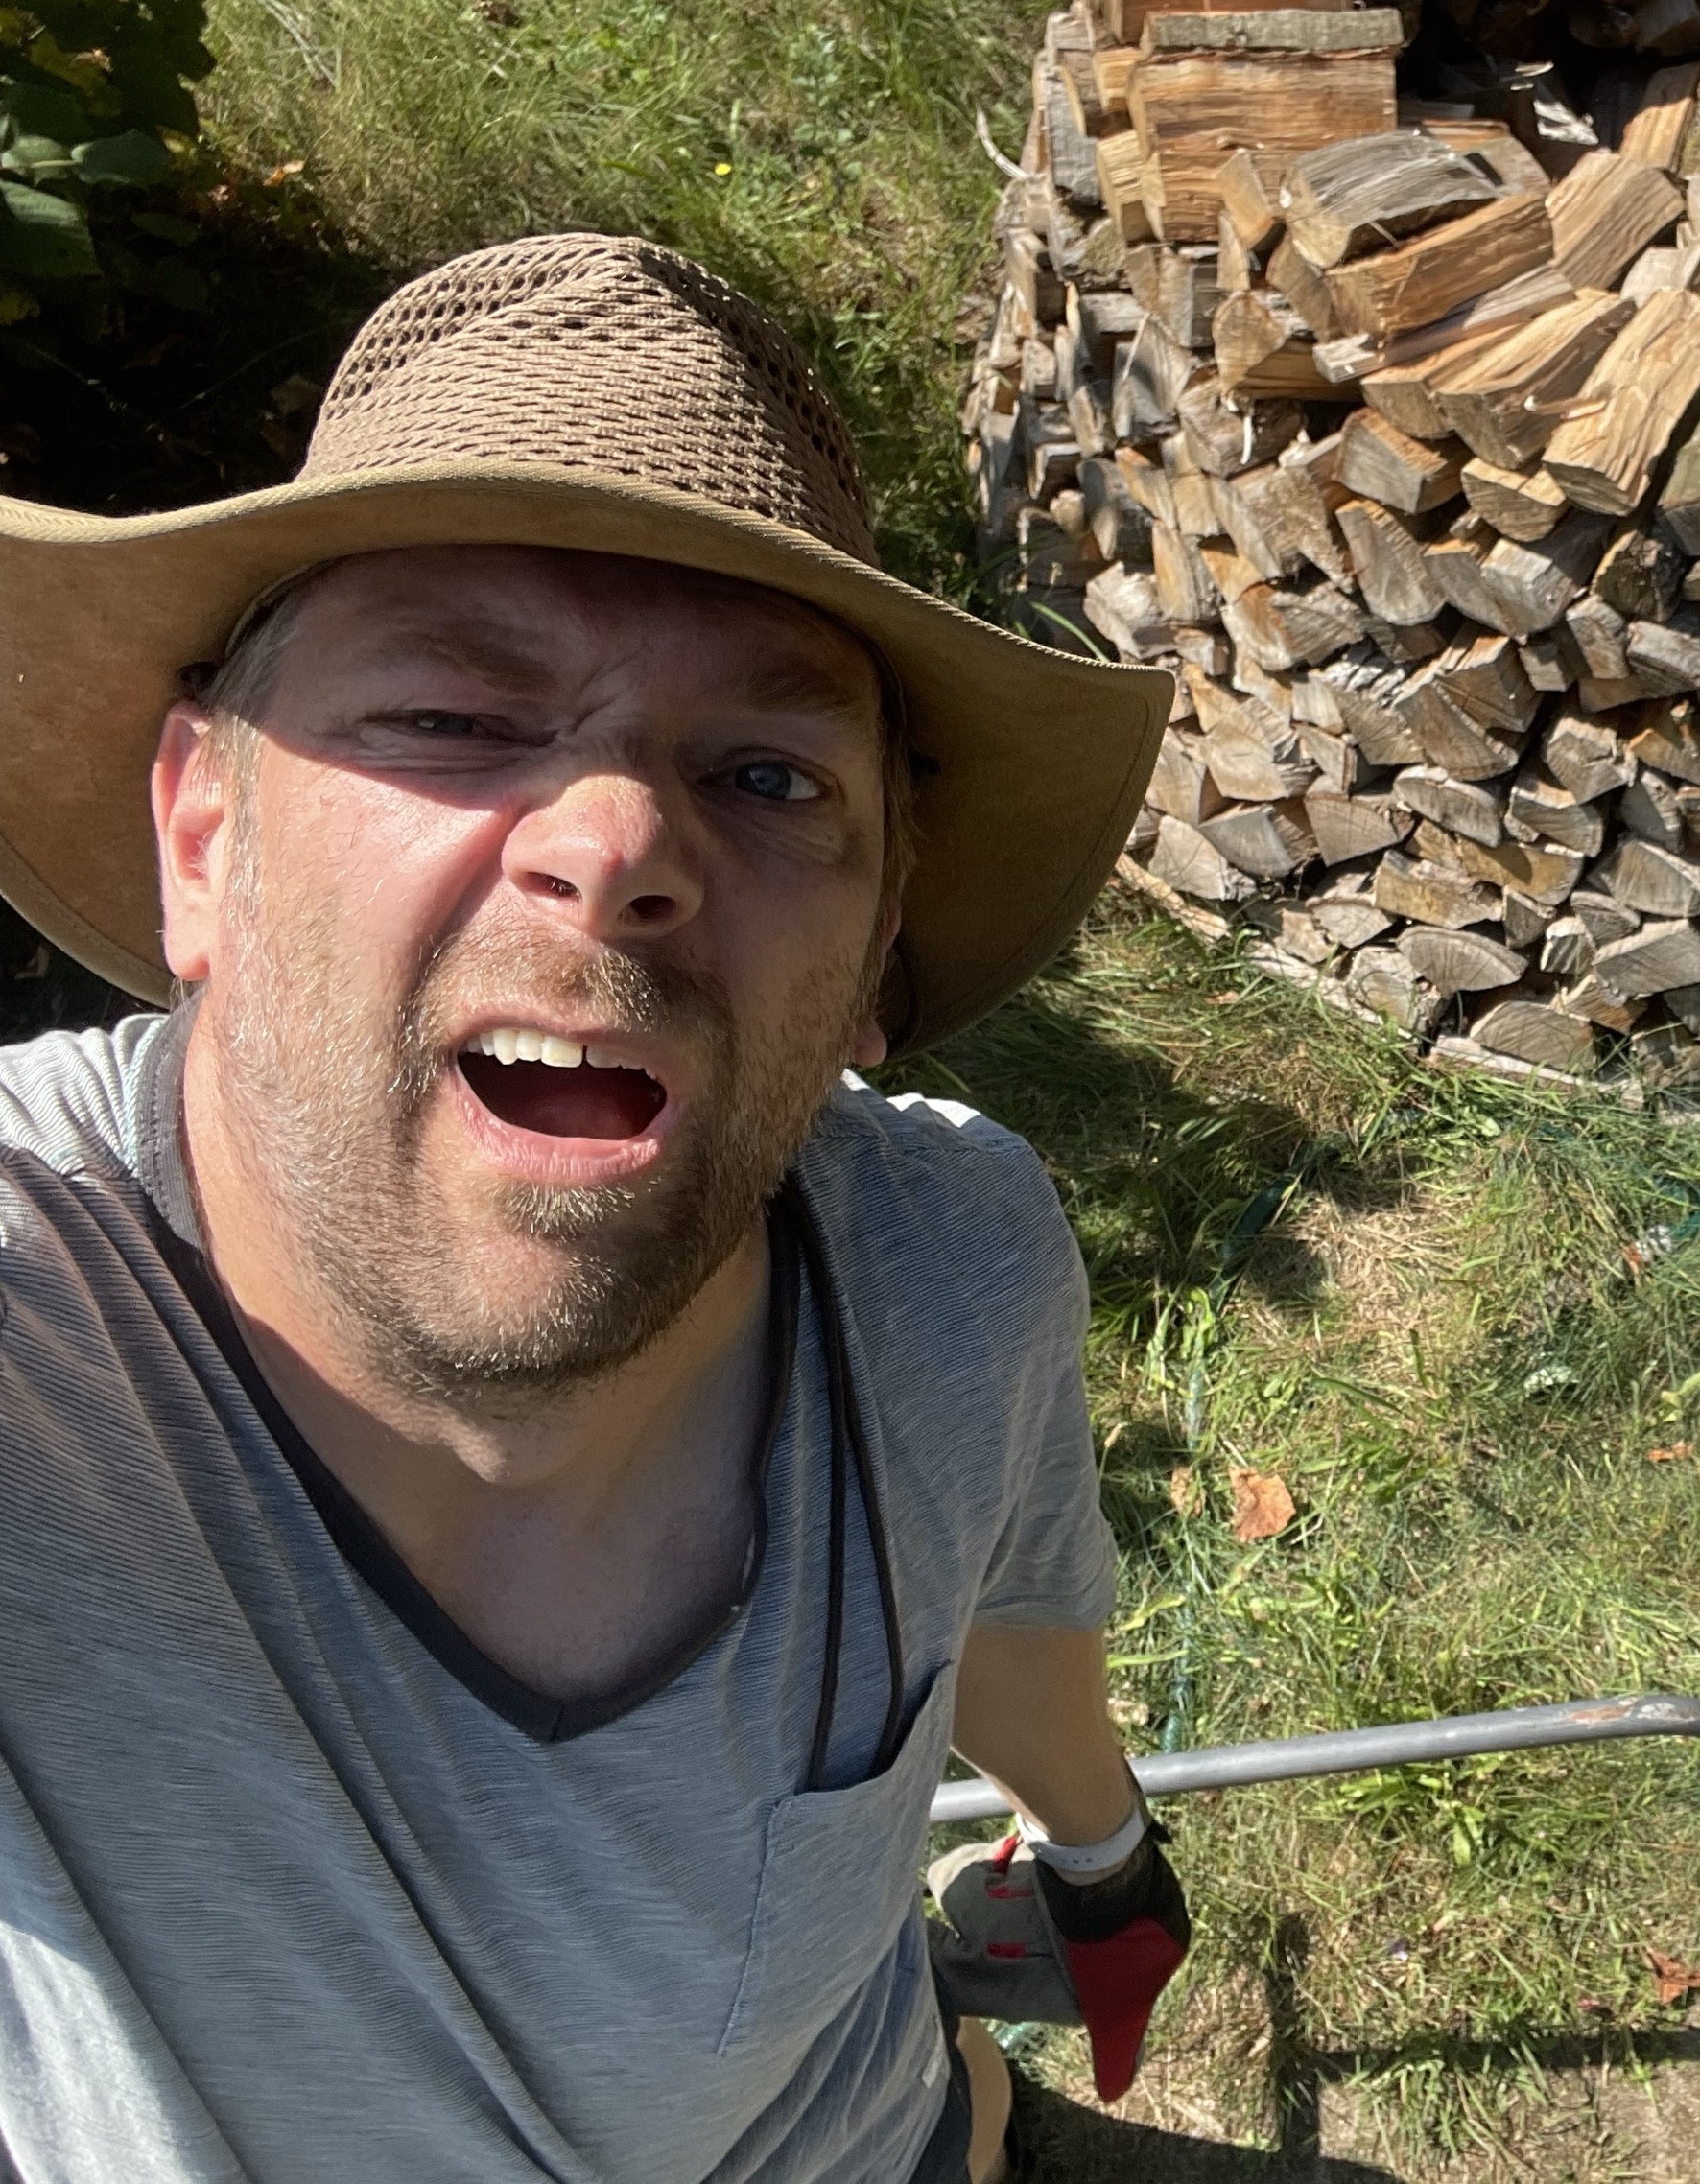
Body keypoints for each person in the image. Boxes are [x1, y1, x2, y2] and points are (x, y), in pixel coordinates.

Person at [0, 234, 1182, 2183]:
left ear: (878, 951)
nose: (618, 841)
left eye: (763, 769)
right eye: (454, 716)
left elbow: (1014, 1638)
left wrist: (1106, 1868)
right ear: (201, 836)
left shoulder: (948, 1259)